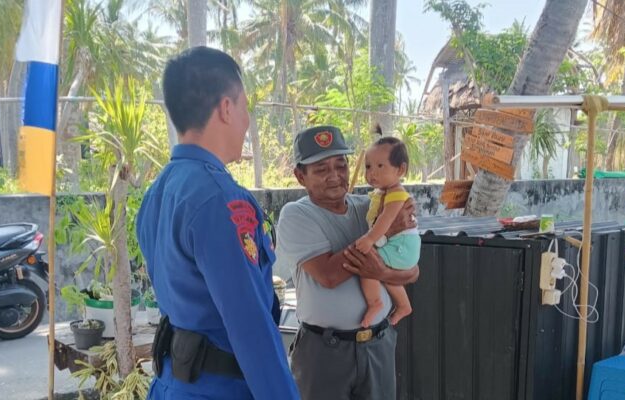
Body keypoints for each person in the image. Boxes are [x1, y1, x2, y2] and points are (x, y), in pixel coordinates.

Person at [136, 47, 299, 400]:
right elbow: (251, 327)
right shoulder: (220, 198)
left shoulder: (158, 192)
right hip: (219, 389)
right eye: (245, 107)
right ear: (226, 108)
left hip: (173, 384)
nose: (247, 121)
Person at [274, 125, 420, 400]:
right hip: (324, 353)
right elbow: (329, 275)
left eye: (341, 166)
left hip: (378, 343)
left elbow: (411, 272)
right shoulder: (296, 215)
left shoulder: (371, 207)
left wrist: (383, 270)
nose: (334, 176)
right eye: (321, 169)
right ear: (300, 176)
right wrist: (383, 232)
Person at [355, 134, 419, 328]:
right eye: (368, 167)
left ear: (400, 169)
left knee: (369, 267)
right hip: (401, 245)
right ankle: (404, 305)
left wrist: (369, 239)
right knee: (386, 273)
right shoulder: (385, 193)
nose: (372, 173)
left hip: (401, 246)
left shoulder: (397, 194)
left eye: (380, 166)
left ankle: (375, 303)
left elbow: (386, 220)